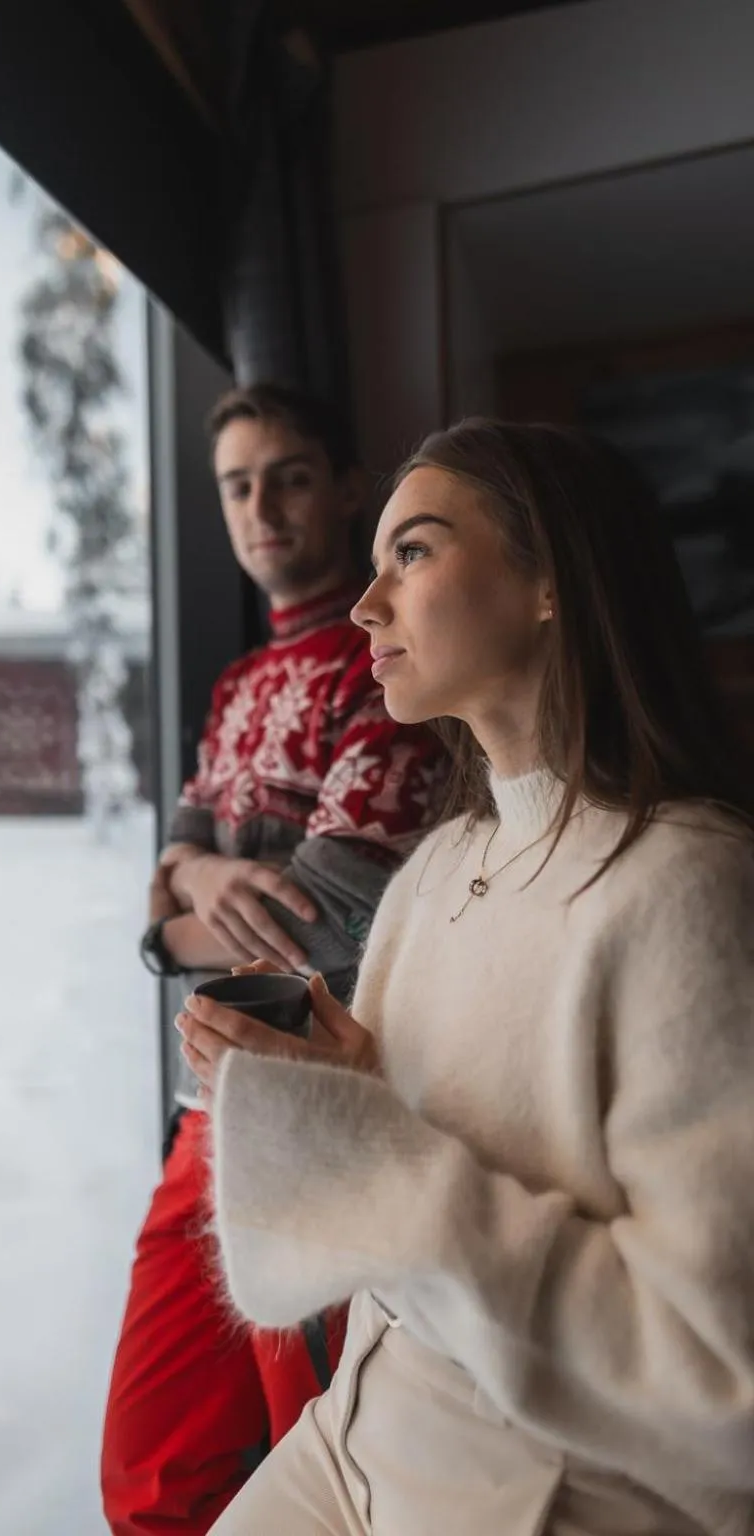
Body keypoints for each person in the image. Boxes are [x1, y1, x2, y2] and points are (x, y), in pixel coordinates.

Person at [180, 419, 754, 1536]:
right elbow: (401, 1173)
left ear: (550, 583)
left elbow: (720, 1381)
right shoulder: (441, 866)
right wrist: (329, 1091)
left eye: (414, 552)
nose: (363, 603)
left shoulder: (689, 891)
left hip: (541, 1487)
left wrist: (371, 1149)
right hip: (355, 1428)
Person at [100, 384, 447, 1536]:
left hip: (325, 1109)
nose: (261, 506)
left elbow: (325, 917)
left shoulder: (390, 663)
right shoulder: (237, 686)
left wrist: (161, 932)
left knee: (332, 1466)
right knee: (151, 1481)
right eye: (237, 484)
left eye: (290, 474)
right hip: (209, 1109)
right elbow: (174, 862)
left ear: (347, 487)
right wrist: (193, 886)